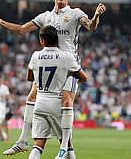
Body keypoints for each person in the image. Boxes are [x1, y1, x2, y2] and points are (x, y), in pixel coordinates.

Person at [0, 0, 106, 156]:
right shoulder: (45, 17)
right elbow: (21, 30)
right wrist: (1, 22)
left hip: (69, 66)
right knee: (31, 97)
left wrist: (95, 16)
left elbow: (89, 26)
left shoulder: (74, 14)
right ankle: (22, 141)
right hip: (49, 63)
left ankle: (64, 146)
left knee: (66, 101)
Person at [27, 25, 87, 159]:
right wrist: (67, 77)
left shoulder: (36, 55)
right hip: (57, 104)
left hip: (39, 104)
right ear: (58, 39)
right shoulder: (66, 57)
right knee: (66, 146)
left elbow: (30, 78)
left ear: (42, 40)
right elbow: (84, 78)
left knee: (37, 146)